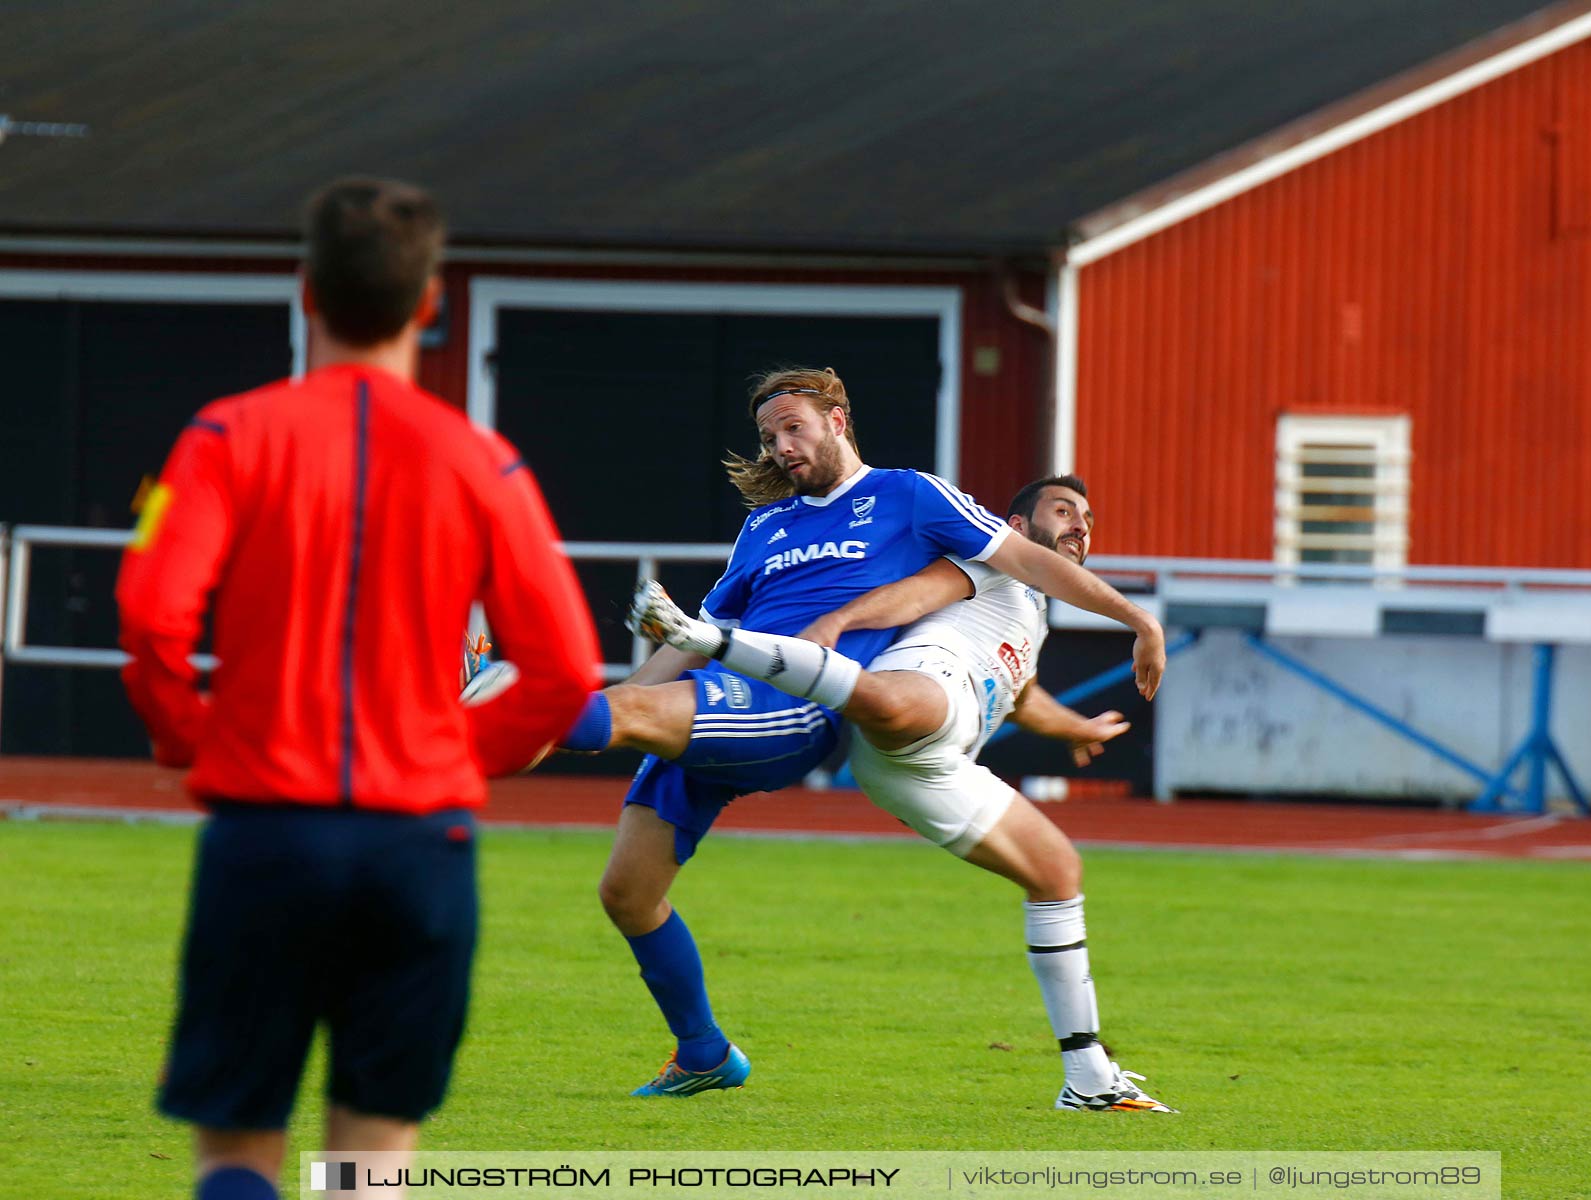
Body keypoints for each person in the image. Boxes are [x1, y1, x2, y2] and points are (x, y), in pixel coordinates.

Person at [116, 178, 598, 1200]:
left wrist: (186, 736)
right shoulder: (483, 461)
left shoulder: (224, 438)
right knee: (368, 1161)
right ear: (429, 305)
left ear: (306, 294)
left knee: (238, 1144)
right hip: (418, 840)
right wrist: (448, 757)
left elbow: (153, 614)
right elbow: (559, 668)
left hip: (265, 830)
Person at [515, 366, 1164, 1097]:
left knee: (595, 718)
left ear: (838, 422)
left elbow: (1021, 565)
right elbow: (697, 635)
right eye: (768, 436)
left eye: (794, 427)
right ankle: (703, 1054)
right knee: (626, 893)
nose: (781, 446)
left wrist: (1136, 618)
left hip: (792, 709)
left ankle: (491, 700)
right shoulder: (763, 527)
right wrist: (618, 699)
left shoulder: (909, 495)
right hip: (719, 693)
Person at [628, 475, 1176, 1113]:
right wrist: (838, 620)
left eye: (1087, 515)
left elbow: (1023, 697)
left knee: (1057, 870)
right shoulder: (987, 561)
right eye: (1063, 510)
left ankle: (1089, 1079)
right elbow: (913, 594)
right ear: (1020, 527)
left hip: (939, 763)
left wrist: (1076, 728)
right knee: (895, 702)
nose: (1080, 524)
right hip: (920, 691)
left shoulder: (1031, 607)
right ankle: (706, 639)